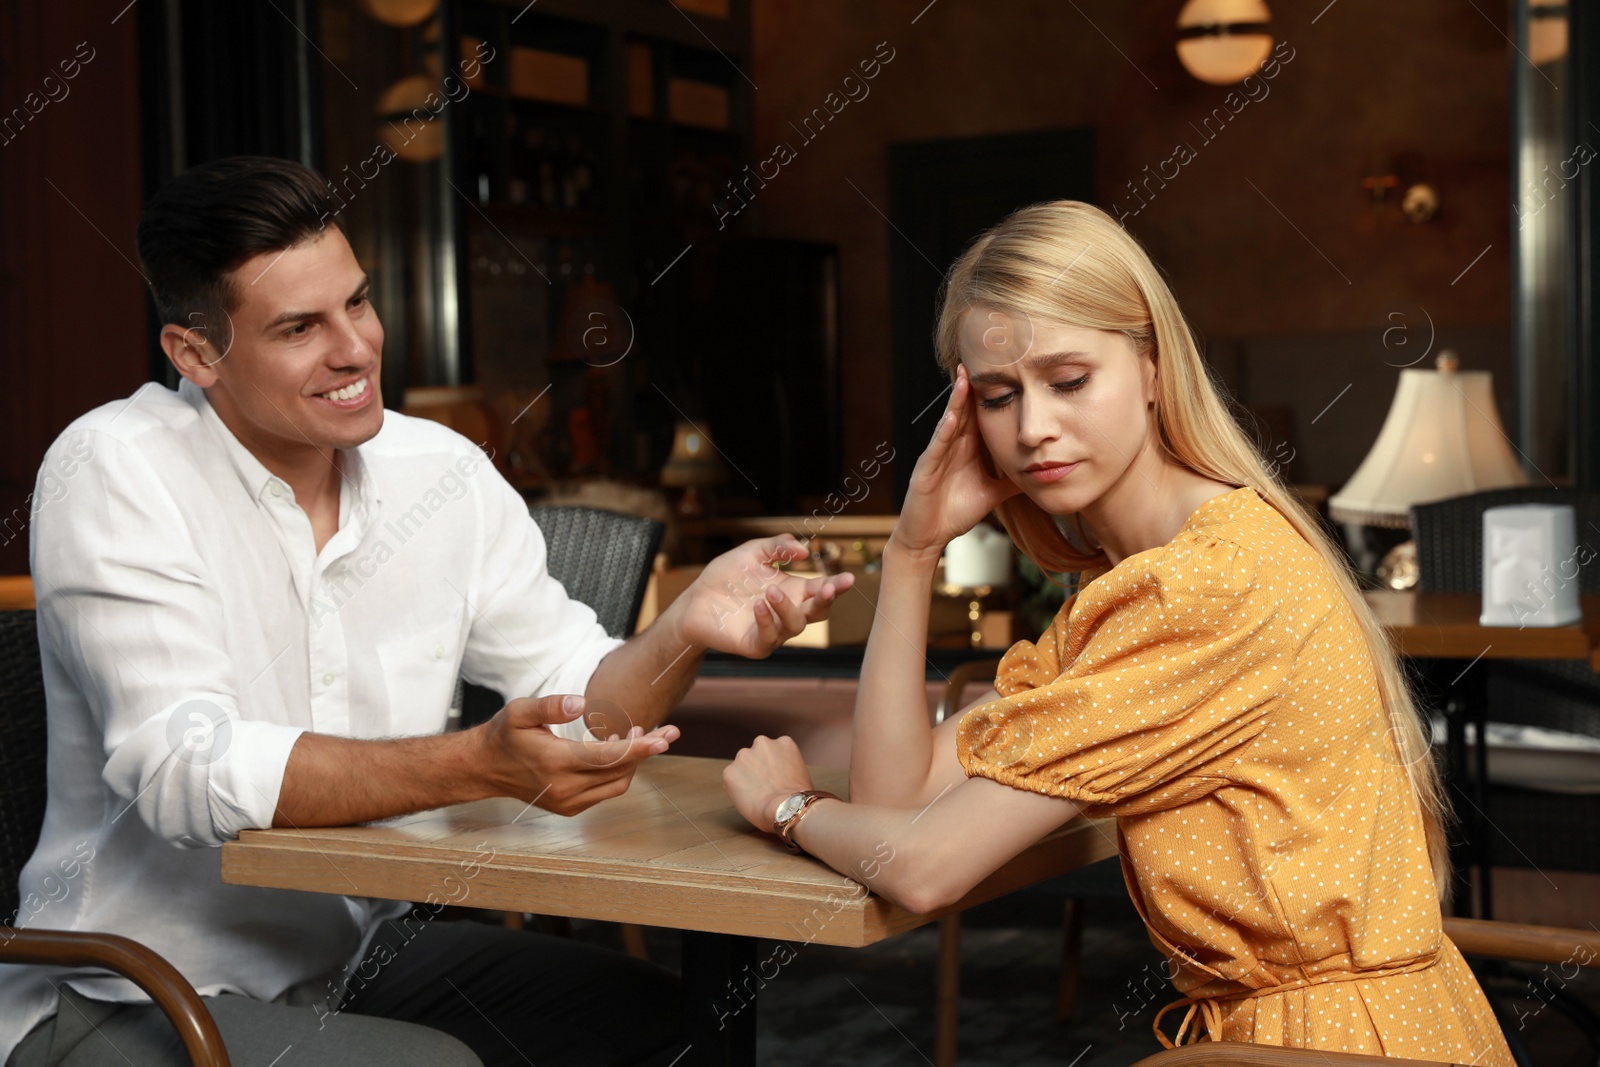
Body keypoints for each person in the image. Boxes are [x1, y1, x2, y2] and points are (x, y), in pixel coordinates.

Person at [1, 156, 853, 1067]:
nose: (355, 349)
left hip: (346, 960)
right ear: (196, 353)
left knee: (664, 1017)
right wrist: (476, 764)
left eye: (357, 304)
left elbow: (583, 700)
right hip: (127, 984)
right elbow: (185, 768)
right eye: (300, 327)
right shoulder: (115, 468)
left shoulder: (440, 472)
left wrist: (681, 627)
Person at [723, 200, 1516, 1061]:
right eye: (998, 396)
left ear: (1149, 365)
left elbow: (920, 867)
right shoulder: (1134, 584)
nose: (1032, 428)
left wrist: (789, 805)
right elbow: (897, 801)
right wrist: (914, 548)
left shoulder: (1204, 584)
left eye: (1069, 381)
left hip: (1328, 1046)